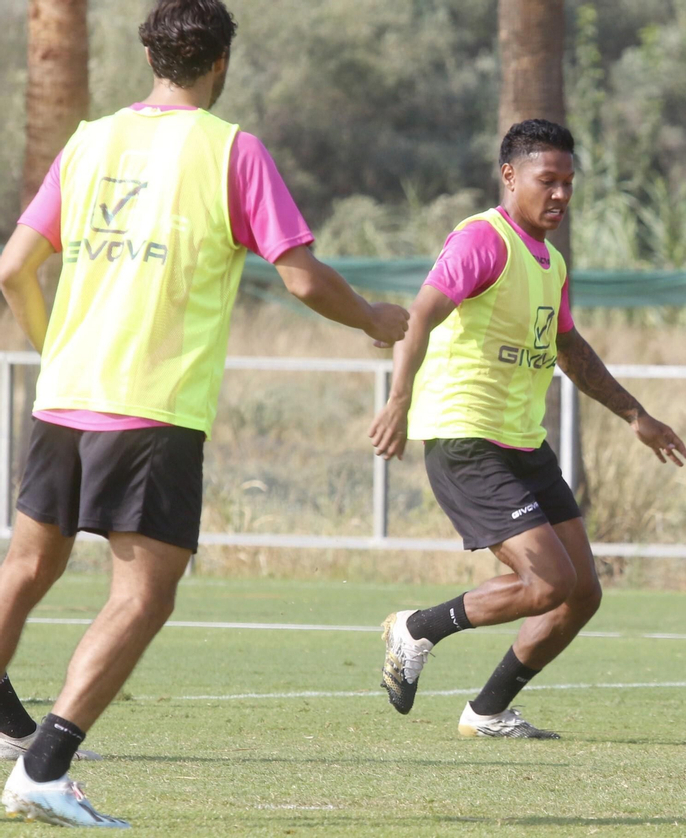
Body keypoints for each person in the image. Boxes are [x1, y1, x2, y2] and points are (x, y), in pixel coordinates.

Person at [0, 0, 409, 826]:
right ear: (220, 63)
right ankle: (42, 769)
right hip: (151, 410)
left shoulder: (89, 141)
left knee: (24, 570)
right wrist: (372, 319)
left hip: (63, 401)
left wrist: (60, 355)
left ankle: (35, 761)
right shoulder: (232, 149)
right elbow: (299, 277)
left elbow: (14, 270)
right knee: (144, 594)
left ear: (150, 57)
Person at [369, 118, 686, 739]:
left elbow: (570, 350)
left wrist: (637, 416)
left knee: (582, 593)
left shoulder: (552, 263)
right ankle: (416, 629)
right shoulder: (481, 241)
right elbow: (420, 317)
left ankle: (486, 712)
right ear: (510, 176)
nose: (562, 194)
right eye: (549, 180)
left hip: (522, 443)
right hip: (466, 437)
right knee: (548, 582)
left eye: (570, 183)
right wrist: (399, 399)